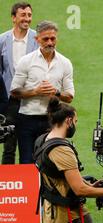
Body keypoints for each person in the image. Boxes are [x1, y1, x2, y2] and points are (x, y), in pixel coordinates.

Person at [10, 20, 74, 164]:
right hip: (27, 119)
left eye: (53, 38)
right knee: (27, 161)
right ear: (37, 39)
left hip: (52, 120)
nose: (50, 42)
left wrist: (56, 93)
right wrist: (36, 91)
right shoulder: (26, 61)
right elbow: (14, 91)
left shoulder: (65, 63)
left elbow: (69, 96)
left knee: (51, 162)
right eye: (45, 39)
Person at [0, 2, 38, 164]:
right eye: (23, 15)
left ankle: (30, 186)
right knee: (9, 147)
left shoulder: (37, 39)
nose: (27, 19)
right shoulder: (2, 40)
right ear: (13, 18)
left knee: (29, 147)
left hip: (31, 101)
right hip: (9, 102)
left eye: (29, 15)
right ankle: (6, 186)